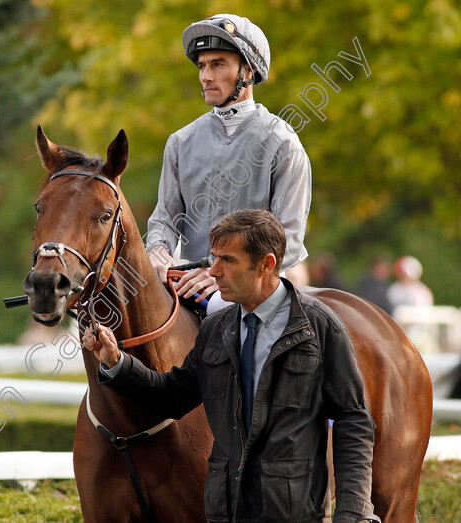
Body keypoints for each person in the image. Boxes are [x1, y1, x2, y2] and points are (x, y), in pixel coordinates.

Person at [85, 210, 375, 522]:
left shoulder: (320, 327)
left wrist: (354, 511)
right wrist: (117, 363)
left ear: (267, 264)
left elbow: (352, 420)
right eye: (214, 258)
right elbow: (172, 396)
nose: (214, 271)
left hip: (293, 514)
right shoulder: (216, 328)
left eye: (228, 260)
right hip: (226, 513)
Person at [145, 14, 311, 314]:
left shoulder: (284, 144)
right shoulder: (180, 142)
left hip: (257, 290)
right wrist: (158, 250)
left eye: (217, 64)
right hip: (191, 283)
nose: (205, 76)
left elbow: (289, 238)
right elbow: (165, 219)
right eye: (202, 66)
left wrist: (221, 274)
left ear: (248, 70)